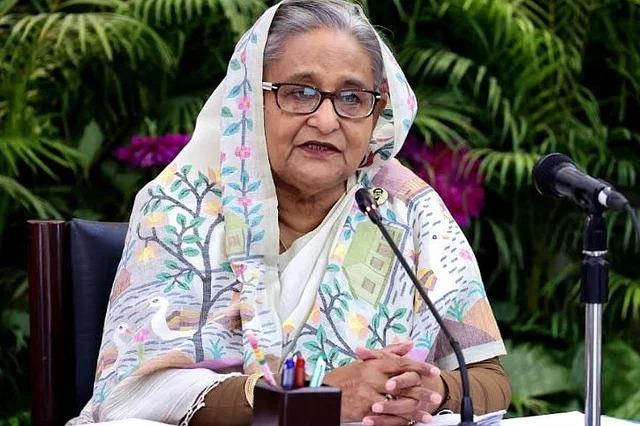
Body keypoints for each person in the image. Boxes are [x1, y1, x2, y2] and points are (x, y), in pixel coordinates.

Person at [68, 1, 510, 425]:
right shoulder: (180, 206)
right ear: (251, 100)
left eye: (352, 98)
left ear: (377, 112)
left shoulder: (407, 211)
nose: (326, 120)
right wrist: (316, 397)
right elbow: (135, 392)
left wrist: (430, 390)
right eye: (300, 93)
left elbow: (489, 379)